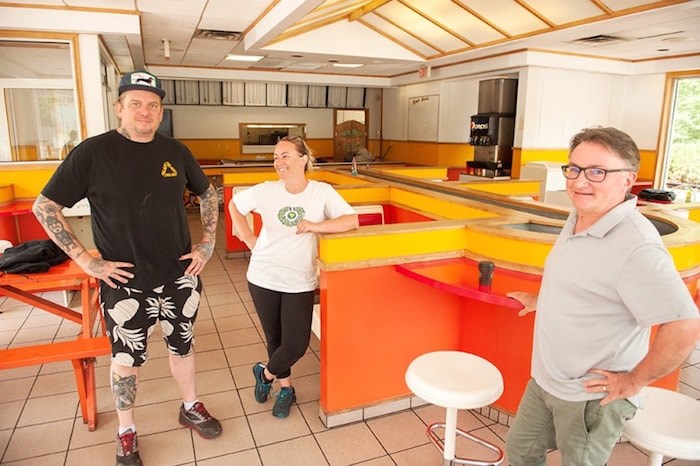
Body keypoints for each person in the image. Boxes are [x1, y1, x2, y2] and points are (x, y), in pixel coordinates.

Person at [32, 70, 221, 466]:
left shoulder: (176, 152)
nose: (144, 111)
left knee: (183, 347)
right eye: (135, 103)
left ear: (161, 111)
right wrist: (86, 259)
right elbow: (45, 206)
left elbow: (207, 194)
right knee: (126, 360)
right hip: (125, 283)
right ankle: (126, 430)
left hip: (180, 278)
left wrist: (207, 242)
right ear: (119, 108)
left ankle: (190, 405)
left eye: (152, 105)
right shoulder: (93, 153)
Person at [505, 126, 700, 466]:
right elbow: (586, 281)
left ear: (628, 180)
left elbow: (684, 324)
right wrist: (542, 300)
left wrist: (634, 381)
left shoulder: (637, 247)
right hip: (546, 380)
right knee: (521, 451)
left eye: (598, 172)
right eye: (575, 169)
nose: (580, 182)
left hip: (590, 397)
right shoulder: (580, 216)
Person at [228, 135, 359, 418]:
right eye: (276, 157)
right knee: (275, 339)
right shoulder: (266, 190)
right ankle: (286, 388)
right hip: (263, 275)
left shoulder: (321, 192)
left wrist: (315, 225)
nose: (279, 162)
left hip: (299, 279)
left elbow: (351, 220)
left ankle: (264, 375)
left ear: (303, 159)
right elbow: (234, 205)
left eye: (285, 155)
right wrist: (249, 237)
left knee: (296, 343)